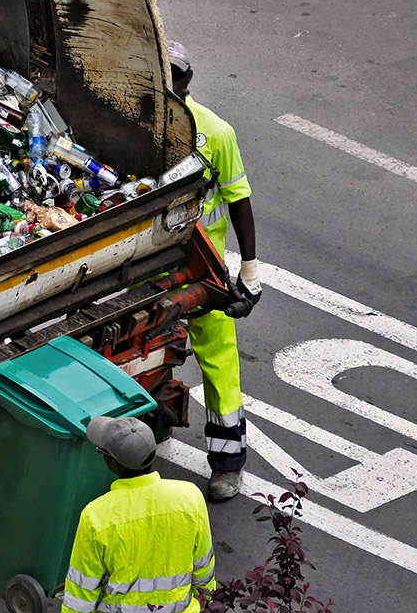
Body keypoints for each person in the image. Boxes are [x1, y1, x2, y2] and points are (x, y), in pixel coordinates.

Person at [167, 40, 262, 501]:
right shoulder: (134, 122)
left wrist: (250, 269)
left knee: (219, 362)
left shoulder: (216, 133)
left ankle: (228, 465)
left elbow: (239, 198)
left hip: (202, 266)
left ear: (189, 78)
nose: (170, 81)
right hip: (148, 263)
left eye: (176, 73)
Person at [61, 416, 216, 613]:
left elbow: (80, 595)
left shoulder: (96, 517)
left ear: (112, 463)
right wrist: (209, 605)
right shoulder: (190, 497)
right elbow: (204, 568)